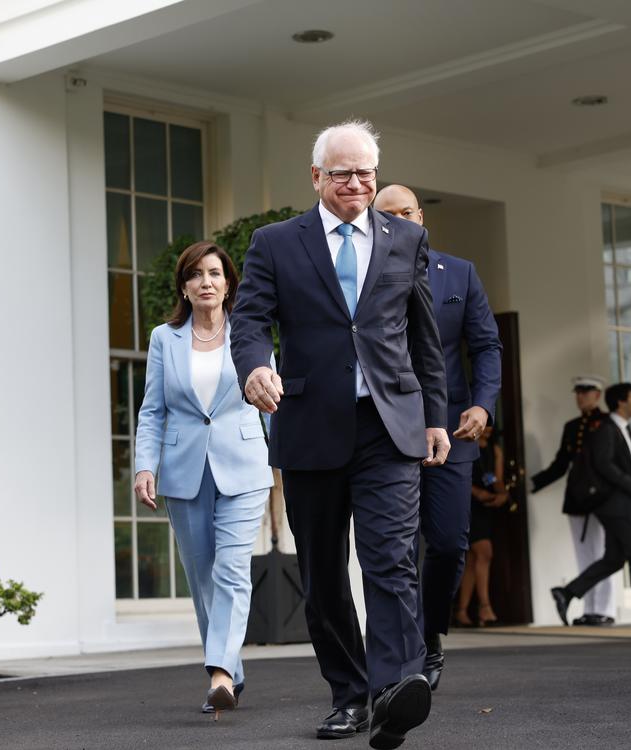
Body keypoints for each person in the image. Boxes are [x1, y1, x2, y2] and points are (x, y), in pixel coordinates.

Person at [230, 120, 449, 748]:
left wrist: (435, 415)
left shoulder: (406, 238)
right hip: (311, 427)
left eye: (366, 172)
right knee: (323, 573)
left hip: (389, 427)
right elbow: (249, 322)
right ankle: (350, 696)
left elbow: (423, 338)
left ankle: (395, 691)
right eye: (343, 173)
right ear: (317, 177)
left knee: (390, 561)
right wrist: (255, 368)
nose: (356, 183)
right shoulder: (275, 242)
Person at [133, 241, 274, 719]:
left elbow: (272, 400)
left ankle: (217, 673)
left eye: (214, 273)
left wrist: (290, 459)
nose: (206, 282)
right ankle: (230, 671)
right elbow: (153, 410)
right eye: (196, 275)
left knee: (233, 570)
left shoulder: (250, 335)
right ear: (185, 287)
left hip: (244, 465)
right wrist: (144, 466)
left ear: (229, 282)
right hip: (183, 471)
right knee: (202, 577)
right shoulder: (163, 339)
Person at [372, 184, 502, 691]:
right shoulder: (367, 276)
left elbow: (486, 345)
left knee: (447, 543)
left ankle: (431, 634)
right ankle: (404, 654)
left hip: (452, 427)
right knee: (395, 547)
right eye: (389, 216)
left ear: (421, 218)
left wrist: (482, 404)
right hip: (387, 428)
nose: (400, 222)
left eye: (407, 213)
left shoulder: (460, 273)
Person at [551, 382, 631, 630]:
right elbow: (603, 465)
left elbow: (626, 466)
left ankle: (566, 593)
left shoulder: (622, 429)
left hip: (625, 503)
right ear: (620, 402)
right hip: (617, 505)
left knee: (613, 559)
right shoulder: (606, 428)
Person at [531, 375, 617, 626]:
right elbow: (561, 464)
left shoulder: (607, 423)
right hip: (578, 498)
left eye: (586, 391)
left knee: (603, 554)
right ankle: (590, 609)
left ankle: (604, 609)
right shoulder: (572, 427)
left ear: (597, 394)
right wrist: (534, 483)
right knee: (584, 556)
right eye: (578, 392)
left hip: (601, 499)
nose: (581, 396)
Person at [454, 425, 509, 628]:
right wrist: (477, 493)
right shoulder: (465, 445)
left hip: (485, 507)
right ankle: (484, 606)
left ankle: (462, 610)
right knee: (484, 552)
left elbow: (497, 479)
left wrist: (502, 495)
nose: (487, 429)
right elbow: (459, 476)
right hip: (468, 504)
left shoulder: (495, 450)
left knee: (473, 559)